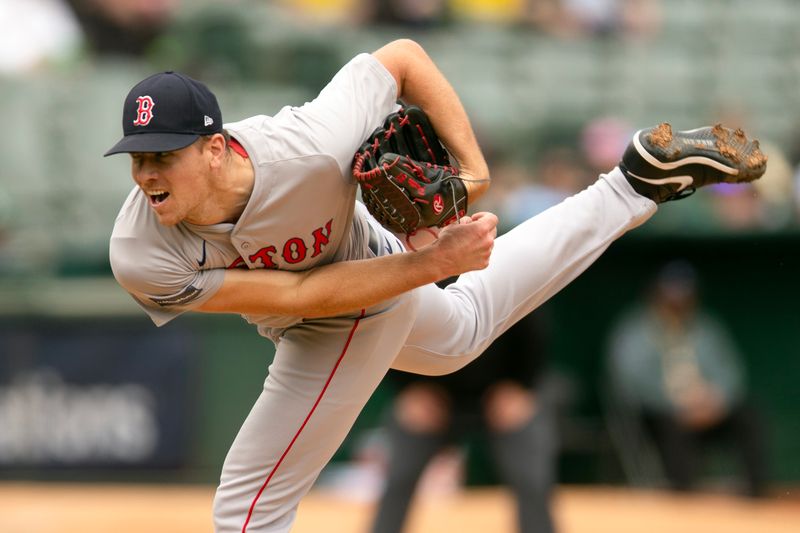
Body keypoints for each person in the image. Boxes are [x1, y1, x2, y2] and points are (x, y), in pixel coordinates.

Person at [103, 39, 766, 532]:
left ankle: (622, 188)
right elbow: (299, 298)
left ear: (214, 148)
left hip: (365, 282)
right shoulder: (139, 251)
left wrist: (475, 173)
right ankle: (631, 185)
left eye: (163, 154)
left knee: (247, 509)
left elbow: (402, 57)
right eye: (137, 156)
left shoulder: (311, 145)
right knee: (462, 334)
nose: (146, 174)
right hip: (330, 298)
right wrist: (430, 262)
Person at [370, 310, 558, 533]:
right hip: (431, 397)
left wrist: (521, 387)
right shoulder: (417, 285)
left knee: (531, 477)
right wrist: (407, 390)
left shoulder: (502, 278)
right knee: (398, 476)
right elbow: (391, 332)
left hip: (501, 395)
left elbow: (535, 332)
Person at [606, 260, 769, 497]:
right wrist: (676, 403)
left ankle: (756, 495)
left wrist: (716, 400)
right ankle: (684, 501)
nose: (677, 301)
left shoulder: (707, 328)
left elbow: (731, 373)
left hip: (708, 410)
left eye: (684, 293)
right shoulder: (635, 330)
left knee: (749, 415)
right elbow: (629, 380)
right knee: (672, 427)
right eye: (671, 293)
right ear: (657, 293)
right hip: (660, 413)